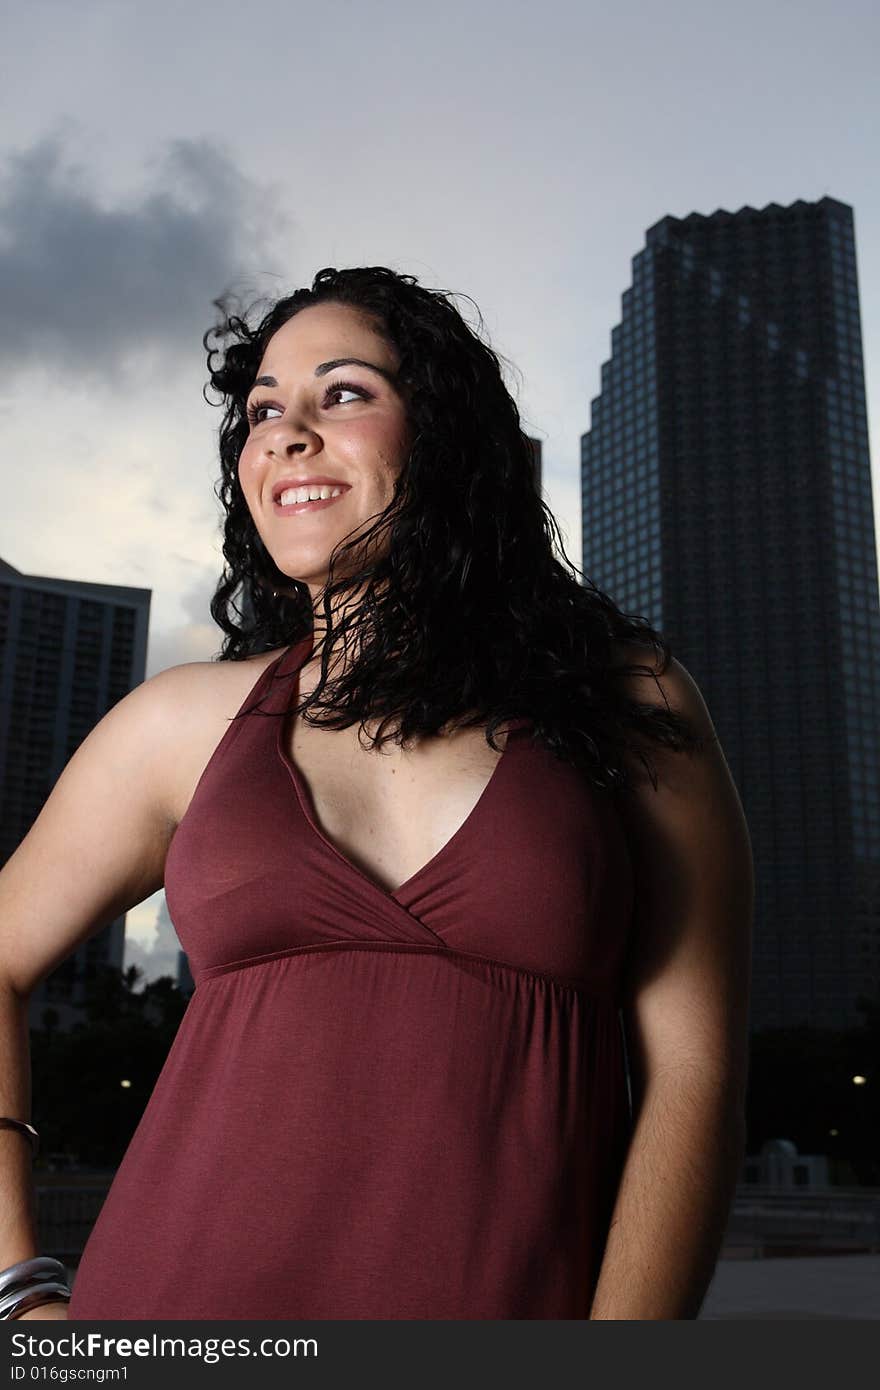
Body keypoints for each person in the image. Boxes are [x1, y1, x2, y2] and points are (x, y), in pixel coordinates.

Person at [0, 266, 753, 1321]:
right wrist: (18, 1289)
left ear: (444, 435)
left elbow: (693, 1073)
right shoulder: (180, 723)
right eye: (263, 409)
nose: (285, 434)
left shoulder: (625, 699)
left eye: (342, 392)